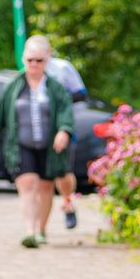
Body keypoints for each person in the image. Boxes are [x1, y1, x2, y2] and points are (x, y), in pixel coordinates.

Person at [0, 34, 74, 248]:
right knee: (27, 183)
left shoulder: (56, 88)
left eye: (39, 60)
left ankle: (41, 229)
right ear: (23, 59)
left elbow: (65, 112)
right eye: (30, 60)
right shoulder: (13, 86)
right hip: (20, 144)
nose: (34, 64)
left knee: (45, 186)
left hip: (49, 146)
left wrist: (64, 131)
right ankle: (30, 231)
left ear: (47, 59)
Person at [45, 53, 87, 230]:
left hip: (61, 124)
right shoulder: (27, 71)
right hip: (36, 127)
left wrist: (60, 100)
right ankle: (37, 226)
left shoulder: (61, 68)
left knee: (63, 171)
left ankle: (68, 202)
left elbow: (81, 94)